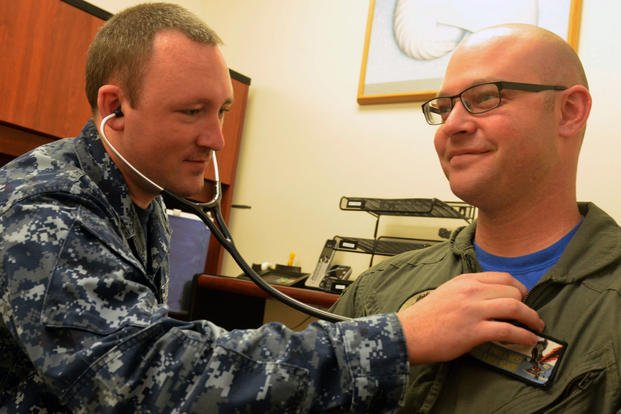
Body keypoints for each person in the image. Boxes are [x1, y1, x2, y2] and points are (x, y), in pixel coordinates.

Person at [0, 4, 544, 412]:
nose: (215, 138)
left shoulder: (142, 196)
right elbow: (145, 376)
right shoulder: (52, 209)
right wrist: (398, 339)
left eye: (222, 110)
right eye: (192, 111)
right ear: (115, 107)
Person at [331, 23, 621, 412]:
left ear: (569, 112)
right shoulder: (376, 292)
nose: (451, 126)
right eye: (444, 108)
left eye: (485, 98)